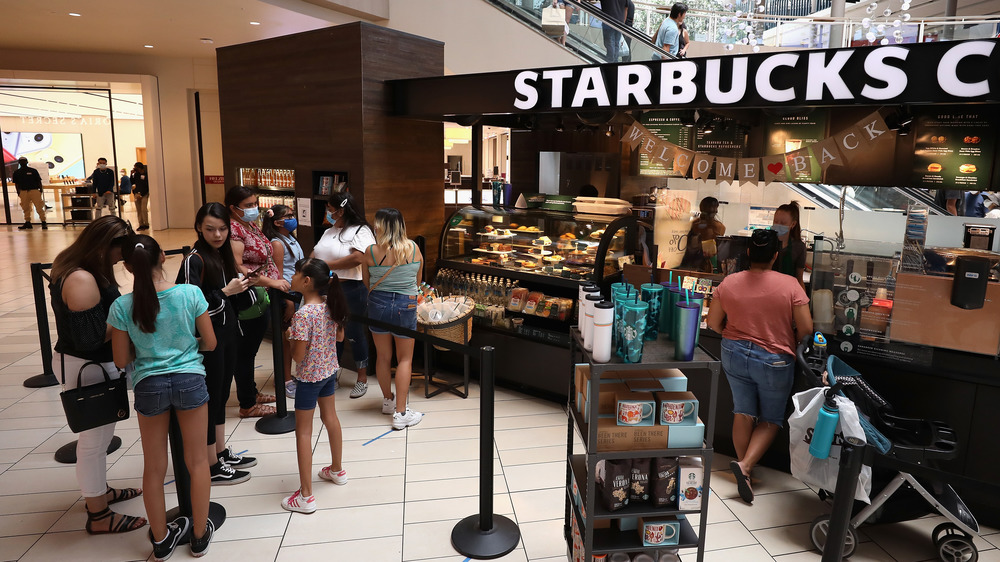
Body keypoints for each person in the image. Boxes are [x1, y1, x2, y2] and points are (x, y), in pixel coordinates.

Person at [108, 235, 216, 560]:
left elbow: (121, 360)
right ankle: (199, 535)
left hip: (149, 386)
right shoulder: (190, 294)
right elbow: (209, 342)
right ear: (164, 259)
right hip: (190, 380)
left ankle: (160, 540)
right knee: (197, 462)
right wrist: (185, 347)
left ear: (127, 267)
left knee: (154, 468)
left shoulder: (122, 306)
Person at [49, 216, 145, 534]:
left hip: (92, 366)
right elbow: (89, 338)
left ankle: (99, 493)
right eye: (120, 250)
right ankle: (99, 515)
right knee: (93, 442)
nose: (122, 257)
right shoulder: (81, 280)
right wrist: (126, 313)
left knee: (101, 439)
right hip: (84, 367)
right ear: (105, 246)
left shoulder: (84, 269)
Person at [706, 229, 812, 505]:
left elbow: (713, 324)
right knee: (771, 419)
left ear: (749, 253)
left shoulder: (729, 282)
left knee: (742, 411)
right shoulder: (791, 285)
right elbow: (807, 330)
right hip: (774, 360)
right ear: (775, 256)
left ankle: (745, 470)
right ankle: (745, 466)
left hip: (733, 352)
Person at [176, 203, 256, 486]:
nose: (218, 234)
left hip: (227, 332)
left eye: (222, 229)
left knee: (221, 393)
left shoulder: (221, 255)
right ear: (199, 227)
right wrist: (224, 292)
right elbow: (187, 304)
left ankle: (220, 451)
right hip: (209, 339)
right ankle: (210, 462)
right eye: (210, 229)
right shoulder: (194, 260)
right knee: (210, 395)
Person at [281, 258, 349, 514]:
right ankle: (337, 469)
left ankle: (306, 496)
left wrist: (290, 338)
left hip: (308, 379)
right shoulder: (330, 306)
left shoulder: (302, 315)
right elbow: (340, 337)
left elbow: (298, 357)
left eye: (297, 273)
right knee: (330, 418)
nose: (294, 276)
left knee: (303, 433)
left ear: (307, 281)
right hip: (329, 372)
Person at [226, 185, 288, 418]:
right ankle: (248, 403)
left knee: (251, 350)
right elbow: (238, 266)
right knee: (245, 352)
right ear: (234, 208)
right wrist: (270, 282)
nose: (254, 208)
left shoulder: (248, 224)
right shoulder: (233, 230)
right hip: (248, 296)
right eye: (249, 205)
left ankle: (251, 392)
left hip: (262, 296)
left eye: (255, 203)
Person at [362, 208, 424, 430]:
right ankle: (401, 413)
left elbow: (366, 282)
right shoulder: (414, 248)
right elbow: (417, 282)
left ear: (382, 227)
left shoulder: (370, 251)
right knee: (405, 359)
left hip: (377, 304)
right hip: (406, 305)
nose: (374, 227)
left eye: (376, 223)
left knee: (383, 357)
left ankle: (388, 401)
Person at [312, 192, 375, 399]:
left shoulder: (361, 230)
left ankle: (362, 378)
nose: (328, 213)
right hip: (325, 289)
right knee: (331, 333)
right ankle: (332, 375)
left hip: (351, 289)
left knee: (354, 333)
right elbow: (314, 253)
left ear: (341, 210)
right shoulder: (329, 231)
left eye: (330, 209)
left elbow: (358, 258)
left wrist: (326, 266)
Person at [262, 204, 305, 398]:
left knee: (293, 338)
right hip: (286, 296)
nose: (292, 218)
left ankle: (289, 375)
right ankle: (287, 379)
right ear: (278, 222)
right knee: (287, 341)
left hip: (296, 293)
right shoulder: (277, 243)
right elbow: (279, 275)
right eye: (288, 216)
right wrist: (288, 302)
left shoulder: (290, 238)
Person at [683, 196, 726, 272]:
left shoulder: (693, 224)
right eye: (712, 208)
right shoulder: (719, 226)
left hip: (698, 265)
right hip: (696, 264)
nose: (714, 210)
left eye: (714, 207)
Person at [771, 201, 806, 289]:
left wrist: (803, 301)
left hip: (788, 292)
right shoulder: (767, 242)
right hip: (767, 291)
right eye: (775, 221)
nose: (778, 225)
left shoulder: (799, 247)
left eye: (782, 223)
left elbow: (799, 279)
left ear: (793, 224)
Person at [12, 156, 47, 230]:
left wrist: (40, 189)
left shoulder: (33, 170)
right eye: (21, 161)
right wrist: (18, 192)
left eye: (24, 161)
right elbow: (16, 183)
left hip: (34, 190)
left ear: (27, 162)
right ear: (19, 163)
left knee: (39, 207)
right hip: (23, 191)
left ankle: (43, 222)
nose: (23, 162)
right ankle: (28, 222)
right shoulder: (16, 172)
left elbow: (38, 180)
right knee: (25, 207)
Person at [131, 162, 150, 230]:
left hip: (144, 193)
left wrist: (142, 194)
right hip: (137, 193)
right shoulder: (136, 174)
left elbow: (147, 185)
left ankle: (146, 223)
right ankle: (141, 224)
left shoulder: (146, 174)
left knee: (143, 209)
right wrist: (131, 174)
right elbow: (132, 182)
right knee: (138, 209)